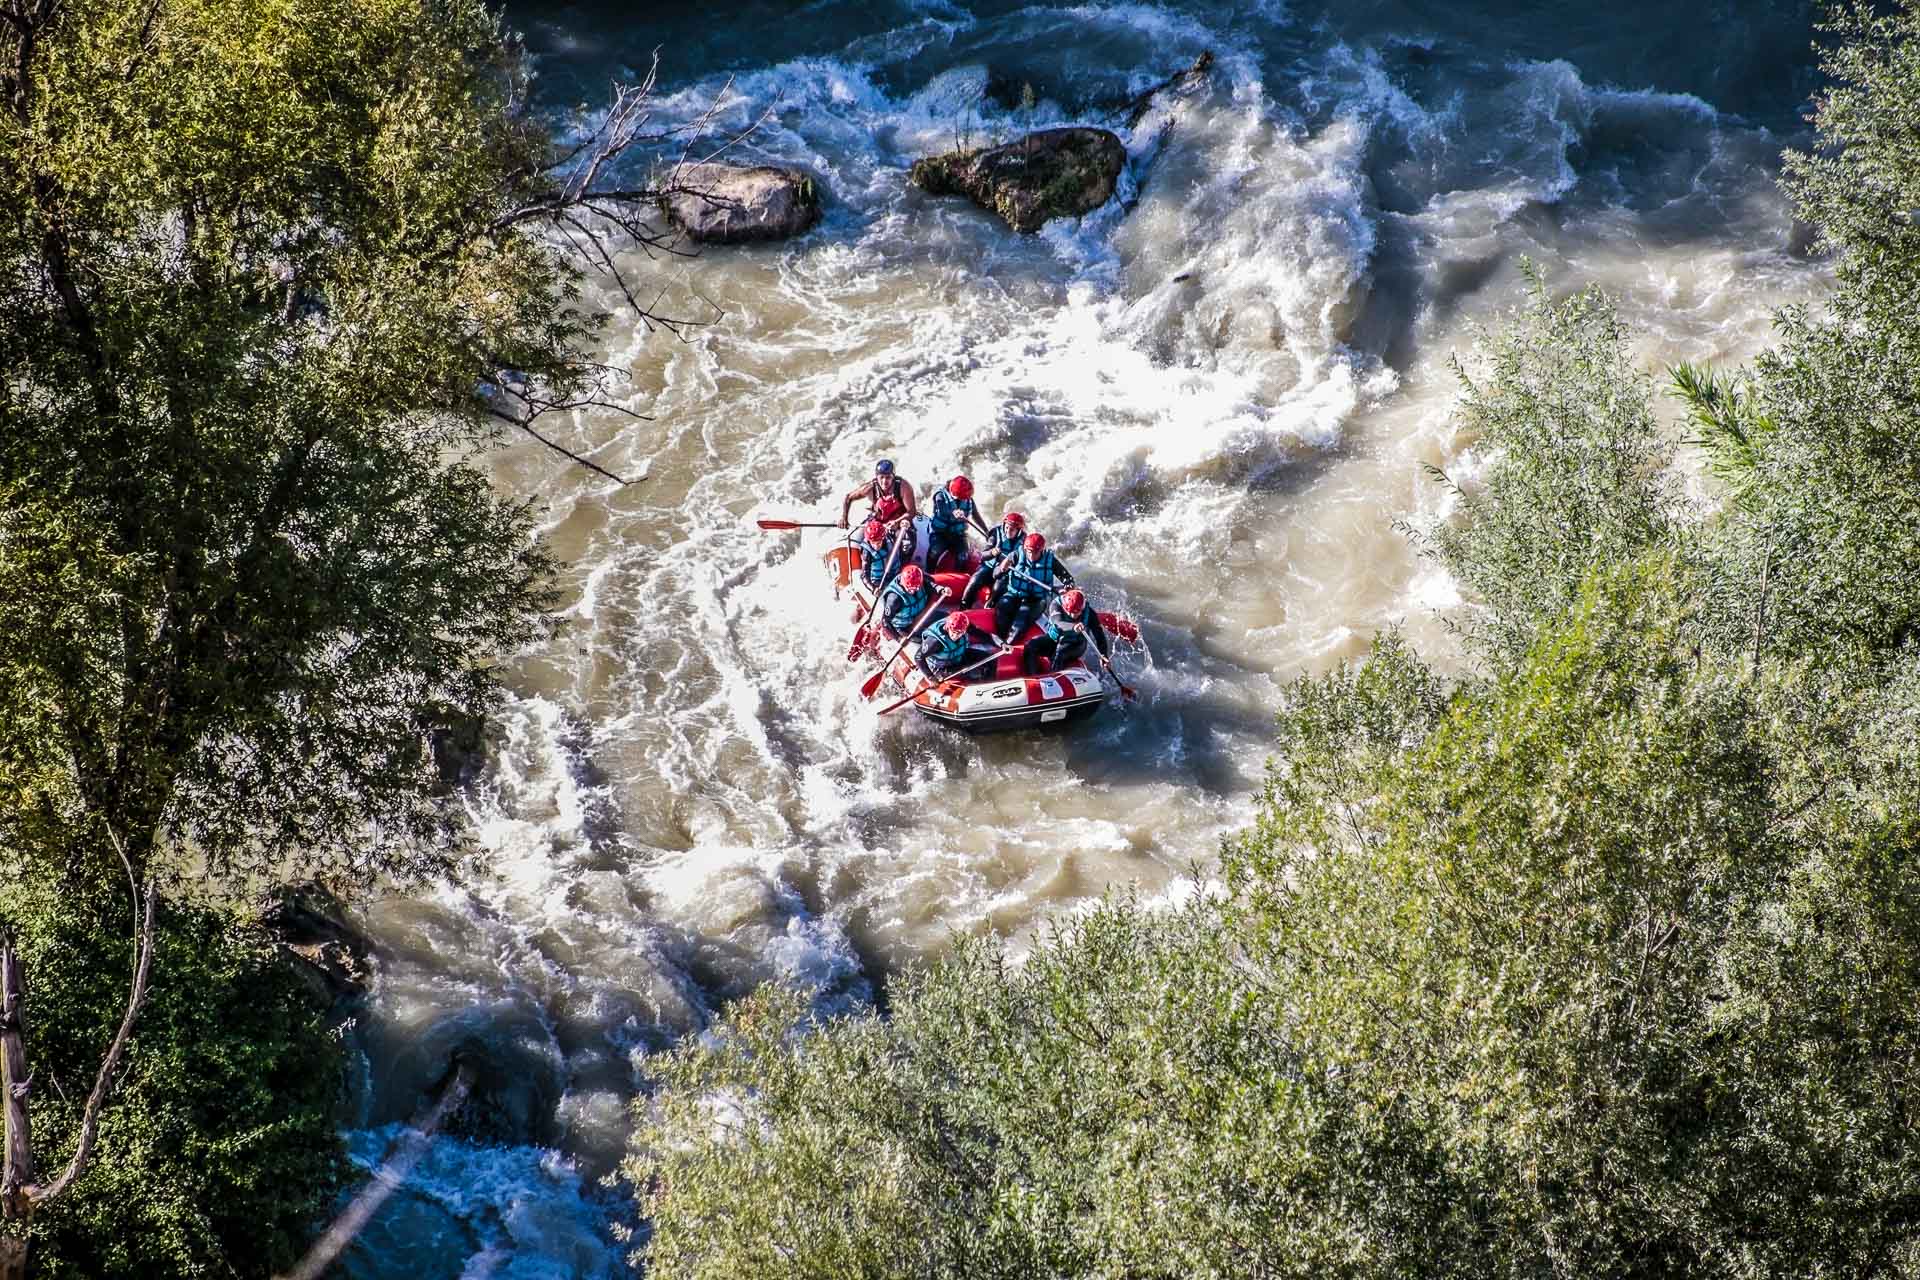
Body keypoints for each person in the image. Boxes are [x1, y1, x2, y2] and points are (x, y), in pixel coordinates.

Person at [992, 531, 1074, 645]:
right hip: (1015, 594)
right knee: (1002, 607)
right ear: (1025, 549)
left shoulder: (1050, 560)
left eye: (1036, 552)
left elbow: (1068, 580)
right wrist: (1002, 568)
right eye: (1029, 552)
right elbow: (995, 575)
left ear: (1042, 550)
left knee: (1022, 619)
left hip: (1036, 599)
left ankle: (1009, 644)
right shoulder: (1015, 555)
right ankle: (1000, 640)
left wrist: (1065, 588)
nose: (1032, 555)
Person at [1024, 588, 1110, 675]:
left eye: (1077, 613)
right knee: (1030, 645)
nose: (1073, 616)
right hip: (1054, 639)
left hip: (1075, 645)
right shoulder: (1056, 605)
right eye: (1070, 612)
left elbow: (1099, 635)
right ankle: (1033, 677)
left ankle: (1053, 678)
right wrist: (1073, 626)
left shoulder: (1090, 613)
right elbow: (1058, 623)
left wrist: (1103, 654)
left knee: (1059, 653)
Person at [960, 510, 1025, 607]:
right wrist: (992, 552)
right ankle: (964, 606)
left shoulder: (1024, 542)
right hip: (988, 567)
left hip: (1004, 573)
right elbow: (983, 555)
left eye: (1012, 530)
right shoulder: (996, 533)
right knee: (974, 582)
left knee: (998, 589)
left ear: (1018, 531)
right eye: (1007, 528)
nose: (1008, 531)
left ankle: (990, 608)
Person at [925, 474, 987, 573]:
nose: (964, 500)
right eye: (962, 498)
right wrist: (953, 512)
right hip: (940, 533)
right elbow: (942, 509)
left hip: (958, 534)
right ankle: (929, 573)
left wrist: (986, 531)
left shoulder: (968, 498)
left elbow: (976, 516)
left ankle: (958, 575)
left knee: (963, 555)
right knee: (935, 551)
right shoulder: (940, 496)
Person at [840, 458, 916, 528]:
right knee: (855, 542)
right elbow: (848, 497)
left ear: (893, 477)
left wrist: (896, 522)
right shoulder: (870, 487)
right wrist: (844, 518)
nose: (884, 481)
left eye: (888, 477)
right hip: (877, 522)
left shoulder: (904, 487)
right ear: (876, 477)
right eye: (881, 477)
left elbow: (912, 511)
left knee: (903, 539)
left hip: (898, 523)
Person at [918, 609, 987, 682]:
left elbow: (980, 634)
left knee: (986, 656)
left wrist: (997, 642)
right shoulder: (934, 642)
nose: (956, 636)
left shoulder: (963, 626)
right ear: (948, 628)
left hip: (957, 657)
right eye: (954, 632)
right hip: (941, 669)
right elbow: (918, 657)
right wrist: (930, 677)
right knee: (973, 672)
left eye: (960, 633)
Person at [879, 563, 939, 638]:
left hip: (920, 615)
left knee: (945, 617)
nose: (914, 591)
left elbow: (931, 583)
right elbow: (885, 622)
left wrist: (940, 589)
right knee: (926, 638)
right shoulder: (894, 599)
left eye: (916, 588)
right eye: (911, 589)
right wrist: (898, 638)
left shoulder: (919, 578)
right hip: (903, 627)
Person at [853, 518, 900, 591]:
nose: (876, 546)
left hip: (895, 574)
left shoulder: (889, 537)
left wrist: (900, 523)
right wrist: (873, 588)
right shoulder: (867, 552)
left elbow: (898, 531)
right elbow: (864, 575)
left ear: (883, 538)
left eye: (878, 543)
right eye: (873, 543)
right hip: (879, 581)